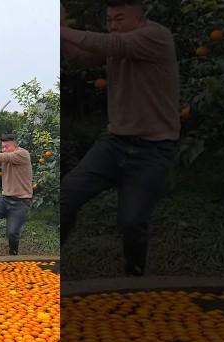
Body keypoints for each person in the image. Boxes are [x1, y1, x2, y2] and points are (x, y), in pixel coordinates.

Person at [60, 0, 180, 276]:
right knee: (67, 193)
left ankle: (134, 278)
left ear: (137, 18)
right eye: (109, 20)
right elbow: (80, 57)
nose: (113, 26)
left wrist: (57, 30)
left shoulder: (156, 36)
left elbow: (110, 46)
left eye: (119, 19)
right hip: (114, 144)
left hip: (153, 150)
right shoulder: (118, 42)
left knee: (132, 222)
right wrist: (63, 27)